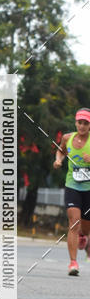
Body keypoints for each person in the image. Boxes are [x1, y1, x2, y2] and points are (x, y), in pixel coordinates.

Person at [53, 107, 90, 275]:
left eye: (86, 123)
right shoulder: (67, 138)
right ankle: (73, 263)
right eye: (79, 122)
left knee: (86, 228)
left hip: (88, 188)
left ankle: (84, 236)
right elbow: (60, 152)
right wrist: (58, 160)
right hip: (72, 185)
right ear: (75, 122)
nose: (82, 126)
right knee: (74, 222)